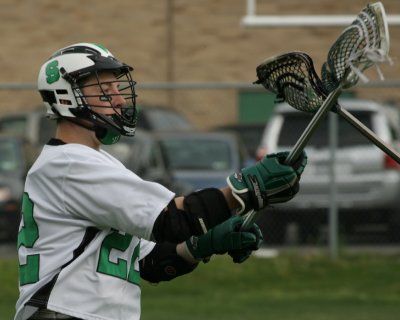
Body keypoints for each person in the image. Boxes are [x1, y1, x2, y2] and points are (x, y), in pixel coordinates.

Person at [15, 43, 307, 320]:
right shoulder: (70, 164)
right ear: (67, 96)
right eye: (104, 90)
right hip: (64, 312)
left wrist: (205, 244)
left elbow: (152, 262)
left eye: (118, 88)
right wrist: (245, 189)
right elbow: (172, 219)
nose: (118, 98)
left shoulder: (91, 164)